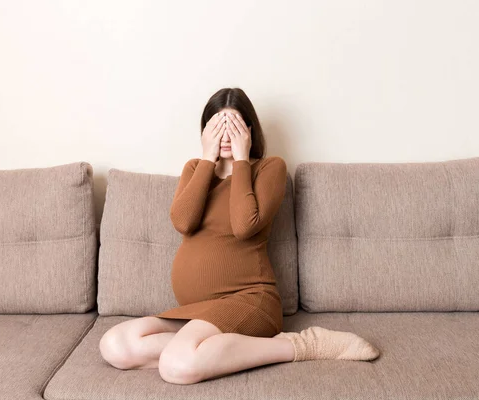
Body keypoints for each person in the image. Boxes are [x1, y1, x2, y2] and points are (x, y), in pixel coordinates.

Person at [99, 88, 380, 385]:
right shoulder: (195, 169)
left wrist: (242, 161)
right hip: (198, 313)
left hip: (249, 300)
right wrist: (208, 159)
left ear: (248, 131)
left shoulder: (268, 168)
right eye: (217, 127)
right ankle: (203, 348)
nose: (225, 136)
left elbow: (245, 225)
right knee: (115, 344)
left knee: (177, 366)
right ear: (205, 132)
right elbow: (183, 221)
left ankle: (303, 345)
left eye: (232, 127)